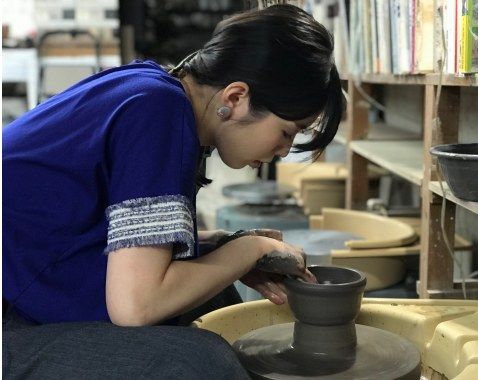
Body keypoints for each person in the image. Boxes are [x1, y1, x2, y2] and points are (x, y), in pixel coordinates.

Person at [3, 4, 344, 378]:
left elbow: (119, 239)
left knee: (210, 296)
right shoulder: (159, 112)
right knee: (201, 363)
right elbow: (136, 306)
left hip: (30, 275)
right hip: (9, 316)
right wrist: (250, 249)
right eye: (287, 132)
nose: (282, 151)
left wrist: (223, 248)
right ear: (235, 98)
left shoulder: (153, 89)